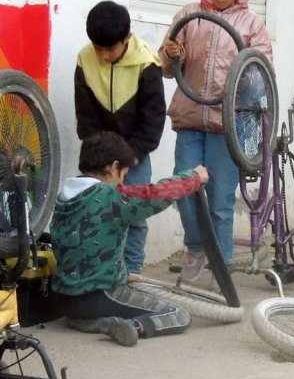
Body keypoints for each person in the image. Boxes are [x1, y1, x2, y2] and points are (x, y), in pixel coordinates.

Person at [160, 0, 273, 286]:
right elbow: (167, 69)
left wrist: (245, 77)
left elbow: (262, 74)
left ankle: (220, 269)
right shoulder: (188, 16)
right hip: (190, 120)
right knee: (185, 190)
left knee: (221, 202)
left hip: (228, 128)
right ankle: (196, 249)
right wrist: (171, 54)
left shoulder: (252, 25)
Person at [50, 132, 206, 346]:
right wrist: (193, 177)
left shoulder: (63, 197)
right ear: (113, 167)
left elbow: (84, 247)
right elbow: (155, 194)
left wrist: (120, 273)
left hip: (64, 298)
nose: (123, 180)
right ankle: (132, 327)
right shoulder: (110, 195)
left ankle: (94, 322)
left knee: (98, 303)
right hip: (100, 295)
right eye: (123, 173)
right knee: (178, 314)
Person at [75, 0, 167, 275]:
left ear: (127, 37)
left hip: (135, 155)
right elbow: (86, 116)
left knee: (135, 215)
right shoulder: (84, 59)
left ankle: (132, 272)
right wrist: (101, 157)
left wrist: (129, 158)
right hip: (100, 158)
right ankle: (100, 272)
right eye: (97, 48)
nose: (103, 55)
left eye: (110, 48)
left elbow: (153, 120)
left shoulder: (147, 63)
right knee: (94, 214)